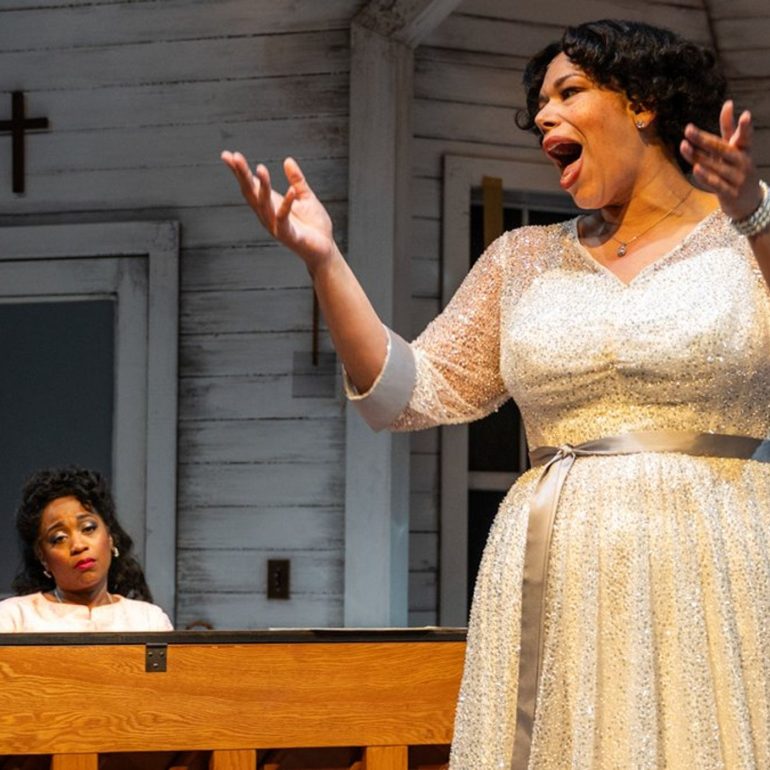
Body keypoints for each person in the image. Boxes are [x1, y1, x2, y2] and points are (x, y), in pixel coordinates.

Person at [222, 18, 770, 769]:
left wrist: (755, 215)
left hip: (712, 561)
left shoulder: (747, 237)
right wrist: (324, 262)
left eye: (568, 92)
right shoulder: (522, 260)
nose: (544, 116)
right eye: (539, 104)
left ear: (643, 101)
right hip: (558, 571)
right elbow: (404, 393)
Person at [0, 466, 172, 632]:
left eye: (88, 528)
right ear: (42, 556)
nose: (78, 546)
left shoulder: (149, 620)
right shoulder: (14, 618)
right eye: (59, 538)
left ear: (110, 537)